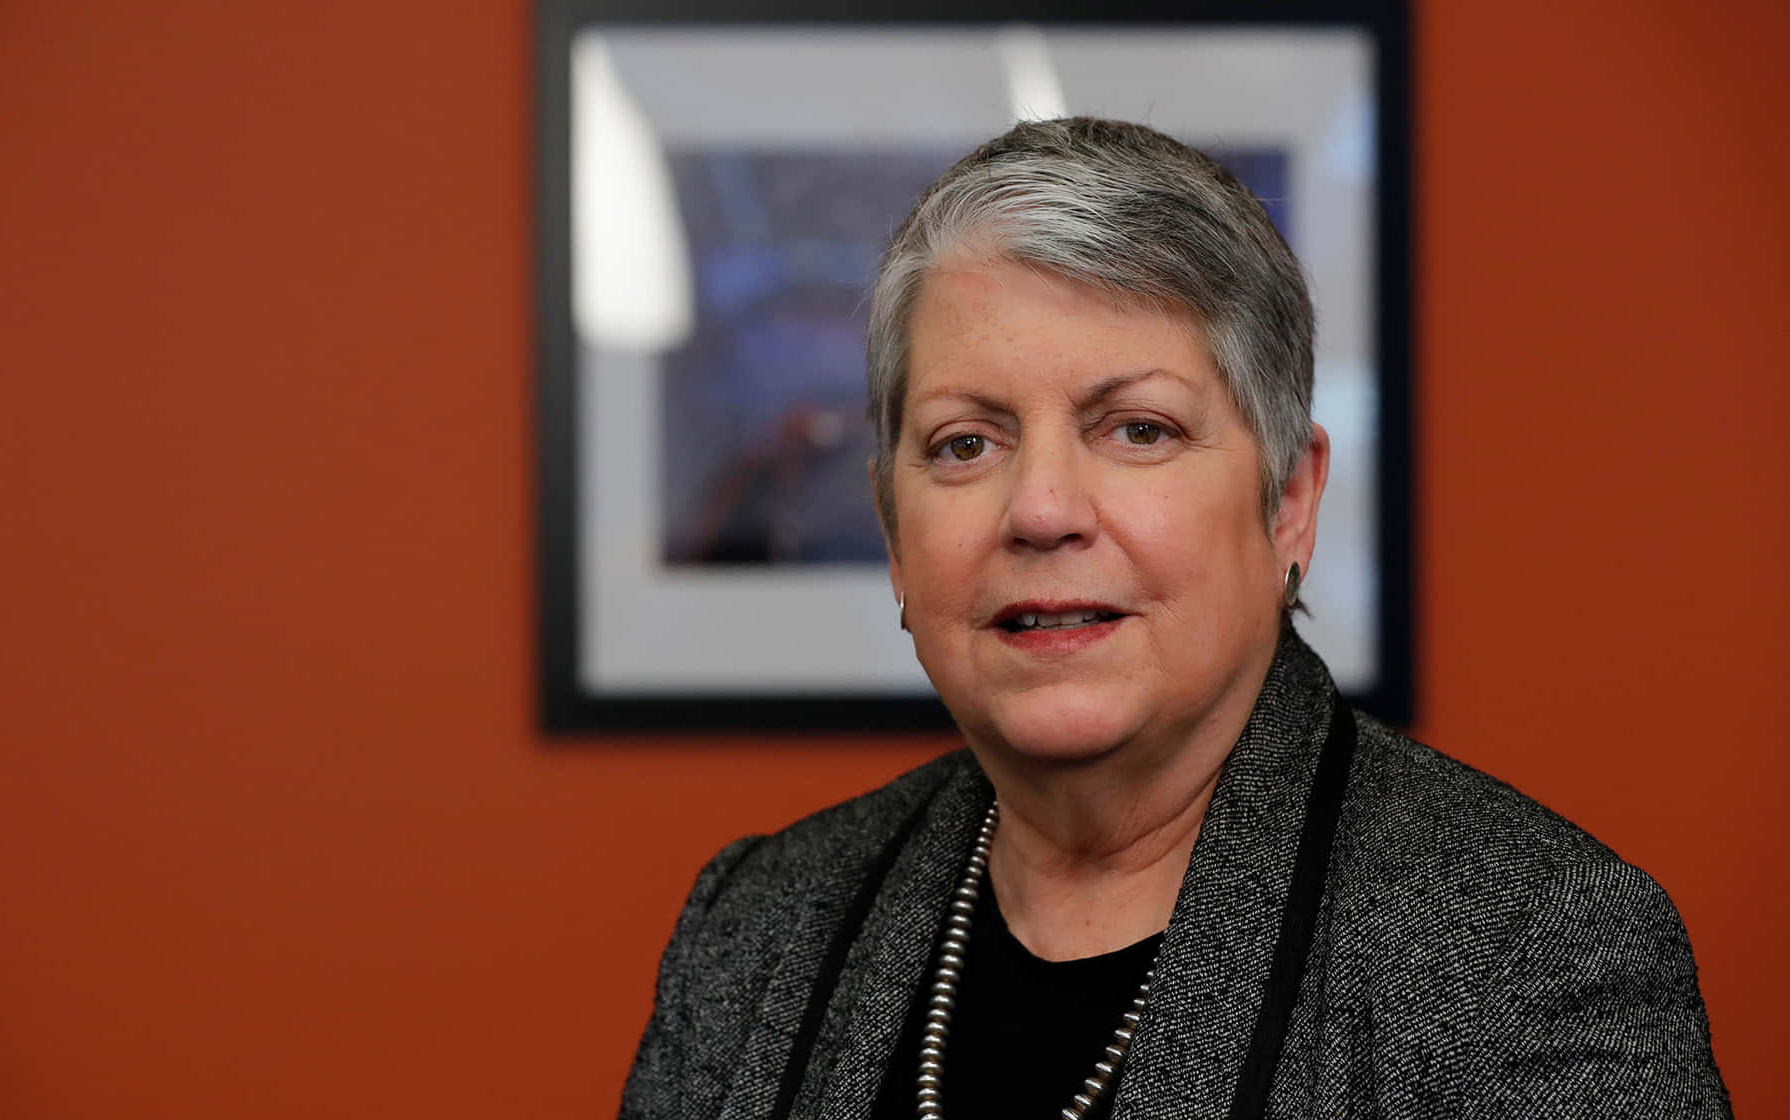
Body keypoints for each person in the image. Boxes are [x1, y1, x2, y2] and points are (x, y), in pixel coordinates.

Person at [619, 118, 1729, 1119]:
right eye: (966, 443)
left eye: (1138, 429)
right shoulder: (758, 927)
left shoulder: (1526, 947)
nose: (1041, 510)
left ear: (1288, 502)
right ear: (894, 530)